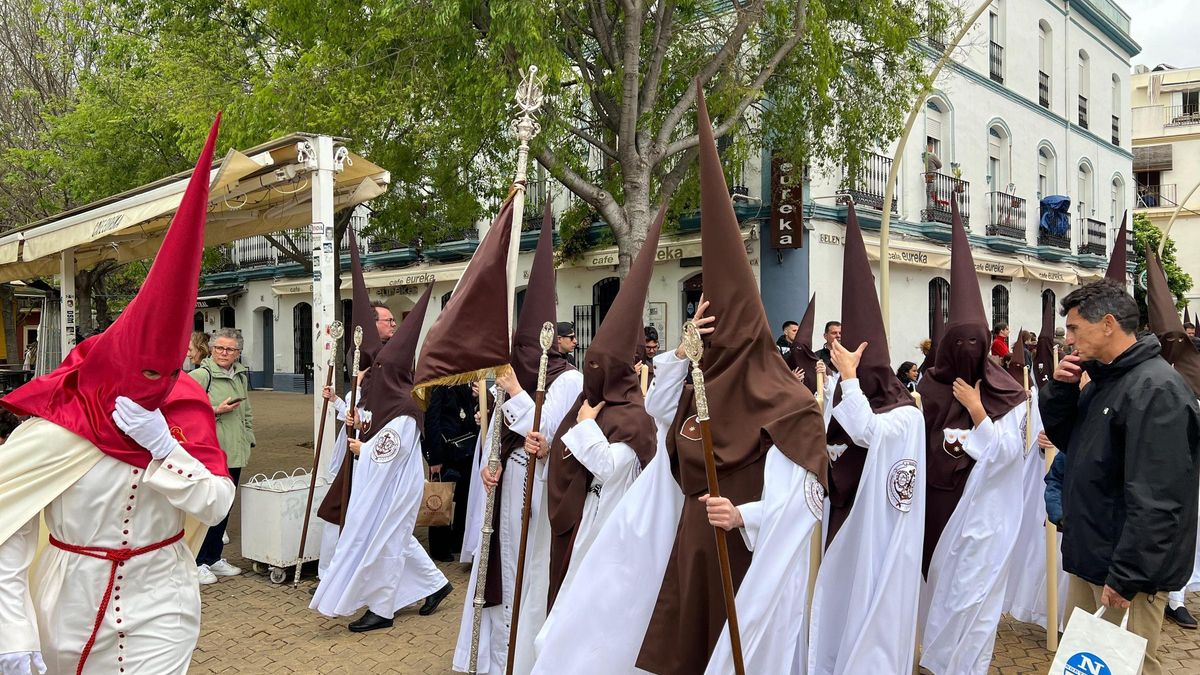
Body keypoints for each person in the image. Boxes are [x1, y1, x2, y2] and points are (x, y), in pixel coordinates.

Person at [530, 89, 828, 674]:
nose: (711, 353)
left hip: (746, 562)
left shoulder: (791, 406)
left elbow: (804, 502)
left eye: (719, 341)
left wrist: (748, 517)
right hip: (687, 547)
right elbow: (661, 412)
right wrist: (685, 346)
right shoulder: (699, 384)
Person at [0, 118, 235, 675]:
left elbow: (217, 505)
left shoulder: (181, 412)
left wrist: (165, 448)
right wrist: (11, 631)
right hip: (67, 607)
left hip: (163, 601)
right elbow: (8, 528)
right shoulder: (54, 425)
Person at [519, 206, 665, 672]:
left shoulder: (636, 420)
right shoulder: (592, 403)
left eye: (603, 368)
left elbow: (613, 466)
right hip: (582, 525)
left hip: (611, 532)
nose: (594, 374)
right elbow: (566, 456)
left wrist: (583, 426)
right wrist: (545, 453)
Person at [1039, 279, 1200, 675]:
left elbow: (1159, 498)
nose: (1068, 338)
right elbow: (1072, 442)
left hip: (1125, 572)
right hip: (1094, 554)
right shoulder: (1108, 379)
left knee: (1127, 665)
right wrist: (1060, 390)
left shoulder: (1156, 389)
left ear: (1108, 324)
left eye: (1074, 328)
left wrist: (1128, 577)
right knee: (1086, 663)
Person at [453, 205, 583, 673]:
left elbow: (545, 436)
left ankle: (521, 655)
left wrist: (514, 390)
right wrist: (491, 463)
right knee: (498, 569)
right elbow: (499, 434)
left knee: (524, 569)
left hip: (539, 486)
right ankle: (492, 657)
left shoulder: (568, 380)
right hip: (506, 483)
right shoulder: (505, 375)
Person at [807, 202, 925, 674]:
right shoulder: (844, 389)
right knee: (835, 603)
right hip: (841, 514)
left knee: (868, 609)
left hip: (879, 530)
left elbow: (869, 432)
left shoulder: (905, 414)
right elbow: (834, 438)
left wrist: (852, 380)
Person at [919, 199, 1027, 675]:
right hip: (938, 519)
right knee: (941, 598)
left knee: (975, 605)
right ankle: (939, 663)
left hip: (983, 522)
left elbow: (1007, 457)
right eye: (957, 342)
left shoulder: (1009, 392)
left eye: (975, 343)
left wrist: (979, 412)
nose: (966, 351)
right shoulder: (927, 388)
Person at [312, 287, 453, 632]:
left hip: (393, 487)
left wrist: (364, 449)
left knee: (386, 544)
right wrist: (356, 420)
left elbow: (392, 448)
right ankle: (436, 585)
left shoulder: (406, 405)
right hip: (378, 484)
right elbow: (375, 424)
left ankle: (382, 609)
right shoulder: (386, 401)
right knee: (392, 541)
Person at [187, 328, 255, 584]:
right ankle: (197, 560)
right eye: (219, 348)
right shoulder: (199, 376)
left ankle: (214, 557)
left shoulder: (239, 376)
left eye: (229, 349)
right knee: (207, 508)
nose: (224, 353)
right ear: (212, 349)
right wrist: (216, 409)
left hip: (235, 452)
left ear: (238, 353)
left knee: (225, 507)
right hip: (210, 453)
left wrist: (249, 438)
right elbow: (185, 412)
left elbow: (246, 411)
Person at [424, 383, 480, 562]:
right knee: (441, 498)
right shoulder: (439, 386)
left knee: (463, 498)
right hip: (445, 452)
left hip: (465, 450)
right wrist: (435, 458)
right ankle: (439, 547)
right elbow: (431, 421)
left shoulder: (463, 383)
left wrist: (475, 398)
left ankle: (457, 540)